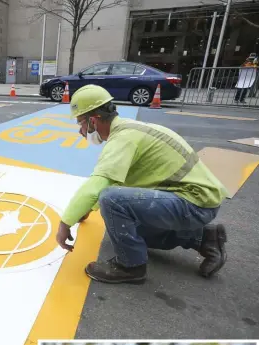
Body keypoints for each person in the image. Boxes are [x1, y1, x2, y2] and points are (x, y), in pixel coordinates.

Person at [56, 85, 229, 284]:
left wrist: (65, 223)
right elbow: (115, 179)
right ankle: (205, 238)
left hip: (194, 202)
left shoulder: (123, 139)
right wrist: (87, 209)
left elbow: (98, 185)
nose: (81, 132)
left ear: (93, 120)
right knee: (128, 228)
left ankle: (130, 266)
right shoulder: (129, 129)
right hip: (193, 199)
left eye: (81, 124)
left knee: (111, 200)